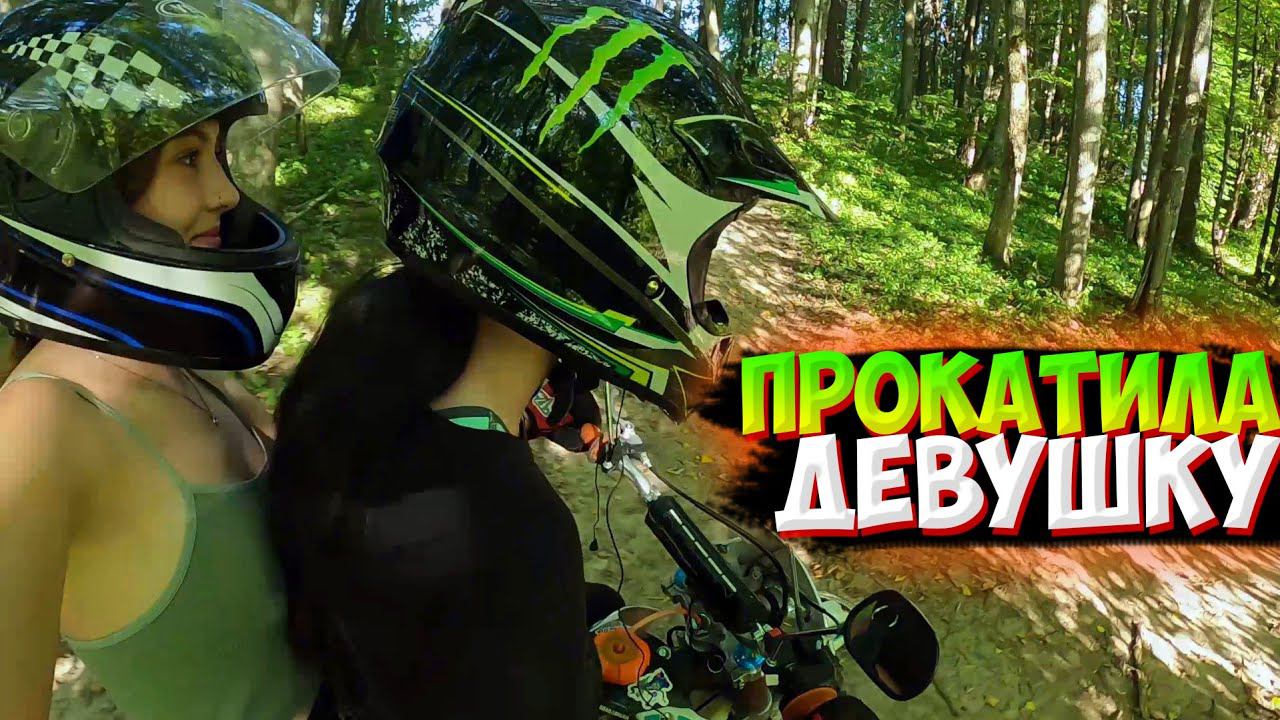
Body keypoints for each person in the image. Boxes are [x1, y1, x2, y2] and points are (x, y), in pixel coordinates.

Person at [266, 0, 837, 717]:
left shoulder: (361, 361)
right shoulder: (507, 534)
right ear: (588, 245)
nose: (700, 295)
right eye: (694, 257)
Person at [0, 1, 338, 718]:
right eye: (187, 158)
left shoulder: (182, 367)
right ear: (82, 199)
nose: (224, 193)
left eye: (218, 155)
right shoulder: (36, 429)